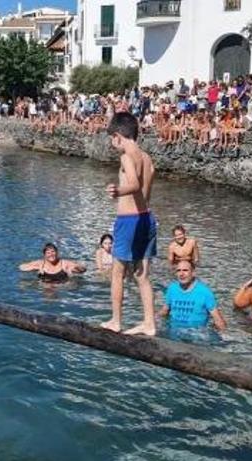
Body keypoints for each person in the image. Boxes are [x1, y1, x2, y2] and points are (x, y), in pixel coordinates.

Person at [101, 112, 157, 335]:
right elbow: (146, 188)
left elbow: (133, 184)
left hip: (129, 220)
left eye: (111, 139)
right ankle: (149, 323)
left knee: (118, 272)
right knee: (142, 276)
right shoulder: (147, 158)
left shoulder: (126, 156)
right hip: (147, 217)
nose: (112, 143)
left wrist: (118, 191)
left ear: (117, 136)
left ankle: (116, 321)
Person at [159, 260, 226, 332]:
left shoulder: (204, 292)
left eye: (185, 270)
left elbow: (217, 318)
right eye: (178, 270)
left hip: (197, 333)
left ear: (193, 273)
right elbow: (164, 310)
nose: (181, 274)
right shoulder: (172, 288)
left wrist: (224, 333)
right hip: (174, 330)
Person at [19, 242, 86, 283]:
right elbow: (21, 267)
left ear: (57, 253)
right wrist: (35, 267)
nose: (51, 254)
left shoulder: (64, 263)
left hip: (61, 287)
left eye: (53, 252)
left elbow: (83, 270)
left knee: (72, 284)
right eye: (48, 253)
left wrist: (76, 267)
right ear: (44, 255)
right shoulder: (40, 263)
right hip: (44, 287)